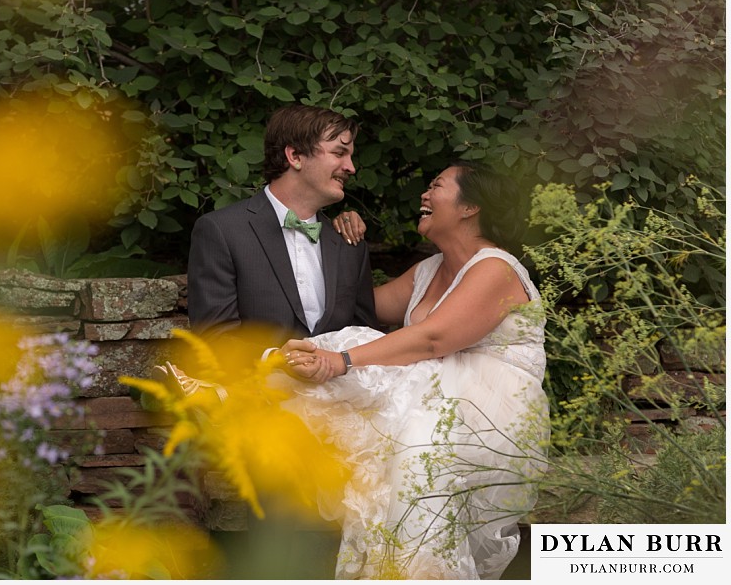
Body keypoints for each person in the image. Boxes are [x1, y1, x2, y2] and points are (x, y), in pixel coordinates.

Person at [164, 161, 549, 579]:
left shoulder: (496, 268)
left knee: (409, 453)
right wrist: (335, 241)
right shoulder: (429, 270)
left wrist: (340, 361)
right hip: (430, 396)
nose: (424, 194)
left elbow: (432, 340)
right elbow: (353, 306)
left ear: (470, 207)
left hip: (483, 413)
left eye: (436, 185)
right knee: (354, 347)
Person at [186, 104, 381, 346]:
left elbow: (365, 337)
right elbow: (213, 338)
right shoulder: (222, 231)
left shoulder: (349, 242)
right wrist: (275, 363)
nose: (351, 167)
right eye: (339, 153)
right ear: (295, 157)